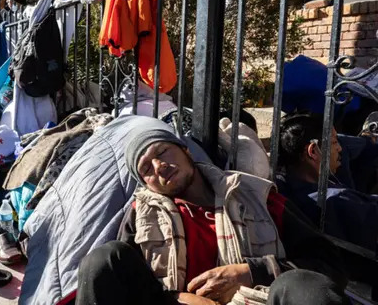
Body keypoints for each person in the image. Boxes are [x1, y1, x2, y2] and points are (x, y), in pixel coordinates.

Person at [75, 126, 349, 305]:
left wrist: (250, 272)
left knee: (302, 285)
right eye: (146, 168)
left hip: (254, 300)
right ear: (147, 184)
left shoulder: (255, 196)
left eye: (162, 152)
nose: (159, 167)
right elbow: (133, 285)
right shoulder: (142, 216)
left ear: (184, 151)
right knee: (103, 259)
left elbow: (330, 266)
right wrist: (176, 298)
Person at [277, 112, 378, 252]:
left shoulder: (280, 185)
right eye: (335, 142)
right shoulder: (338, 199)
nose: (340, 148)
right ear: (312, 151)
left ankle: (370, 140)